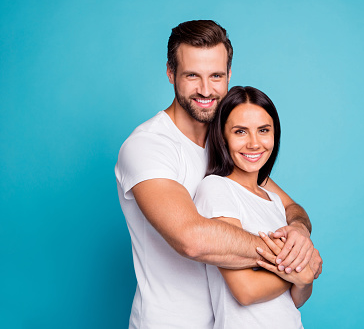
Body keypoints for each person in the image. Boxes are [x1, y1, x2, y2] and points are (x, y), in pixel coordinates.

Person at [115, 20, 322, 328]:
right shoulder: (148, 146)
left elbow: (290, 208)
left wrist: (300, 235)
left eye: (216, 76)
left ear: (229, 75)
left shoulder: (226, 142)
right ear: (171, 73)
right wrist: (291, 260)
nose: (206, 90)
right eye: (192, 76)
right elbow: (192, 239)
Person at [194, 86, 314, 328]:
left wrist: (302, 280)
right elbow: (245, 290)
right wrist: (302, 272)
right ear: (222, 136)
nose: (254, 143)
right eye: (240, 131)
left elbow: (296, 300)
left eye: (263, 130)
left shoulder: (275, 201)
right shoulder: (216, 188)